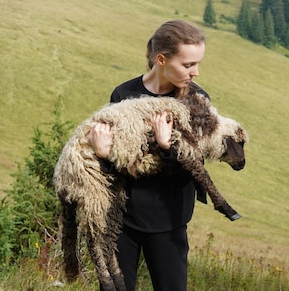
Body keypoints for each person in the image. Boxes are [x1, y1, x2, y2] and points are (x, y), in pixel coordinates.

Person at [89, 19, 210, 291]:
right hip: (121, 220)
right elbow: (114, 166)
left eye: (198, 63)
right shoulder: (124, 94)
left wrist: (168, 147)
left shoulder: (196, 101)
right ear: (161, 59)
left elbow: (196, 168)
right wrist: (103, 153)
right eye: (188, 64)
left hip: (169, 221)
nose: (196, 72)